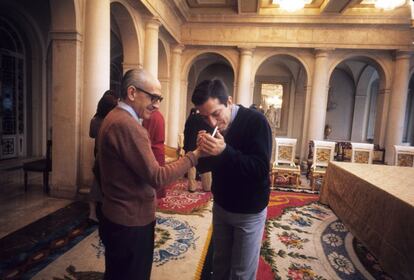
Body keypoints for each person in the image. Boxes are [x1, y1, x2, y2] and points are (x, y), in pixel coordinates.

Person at [97, 68, 206, 280]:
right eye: (153, 97)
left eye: (160, 98)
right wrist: (195, 155)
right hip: (130, 222)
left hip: (117, 214)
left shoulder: (114, 116)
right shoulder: (127, 125)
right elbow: (158, 177)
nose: (157, 105)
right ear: (132, 93)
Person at [193, 79, 272, 280]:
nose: (211, 122)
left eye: (216, 113)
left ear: (229, 101)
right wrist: (203, 153)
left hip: (249, 211)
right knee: (219, 266)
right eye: (205, 116)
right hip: (222, 206)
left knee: (241, 273)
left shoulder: (256, 122)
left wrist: (225, 151)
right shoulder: (208, 125)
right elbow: (209, 168)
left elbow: (260, 170)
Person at [89, 90, 118, 222]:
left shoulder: (94, 120)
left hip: (98, 153)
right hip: (110, 156)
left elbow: (91, 135)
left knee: (96, 183)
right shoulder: (111, 122)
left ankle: (92, 213)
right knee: (108, 184)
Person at [183, 108, 213, 192]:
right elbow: (210, 132)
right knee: (206, 165)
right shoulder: (205, 118)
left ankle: (192, 187)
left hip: (190, 145)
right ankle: (207, 186)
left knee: (191, 166)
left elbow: (185, 132)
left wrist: (185, 146)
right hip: (203, 144)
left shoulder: (190, 118)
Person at [143, 110, 167, 198]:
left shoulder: (149, 116)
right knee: (158, 177)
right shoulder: (158, 115)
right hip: (158, 149)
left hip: (151, 149)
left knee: (152, 177)